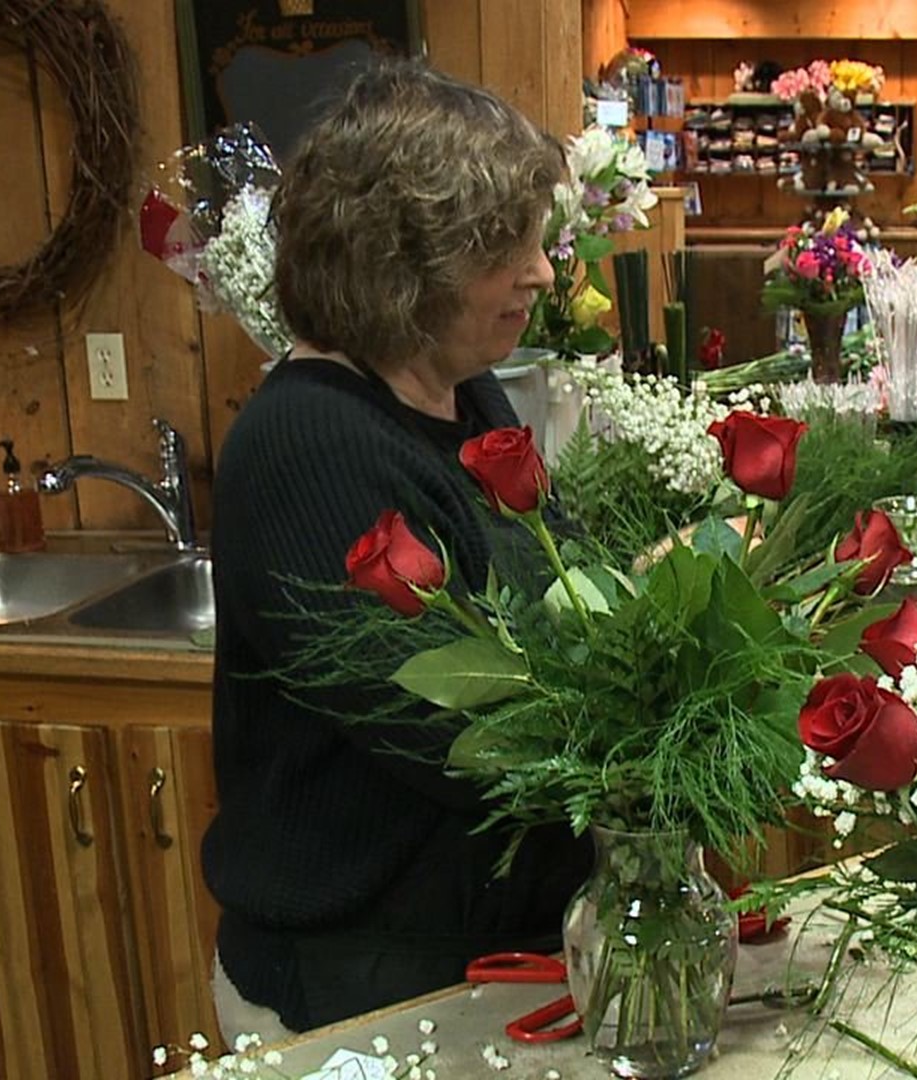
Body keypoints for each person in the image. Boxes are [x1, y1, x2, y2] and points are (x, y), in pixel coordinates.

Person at [201, 59, 590, 1040]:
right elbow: (466, 733)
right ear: (400, 264)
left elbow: (569, 590)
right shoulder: (309, 445)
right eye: (507, 247)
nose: (542, 272)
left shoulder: (461, 391)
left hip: (477, 969)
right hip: (354, 986)